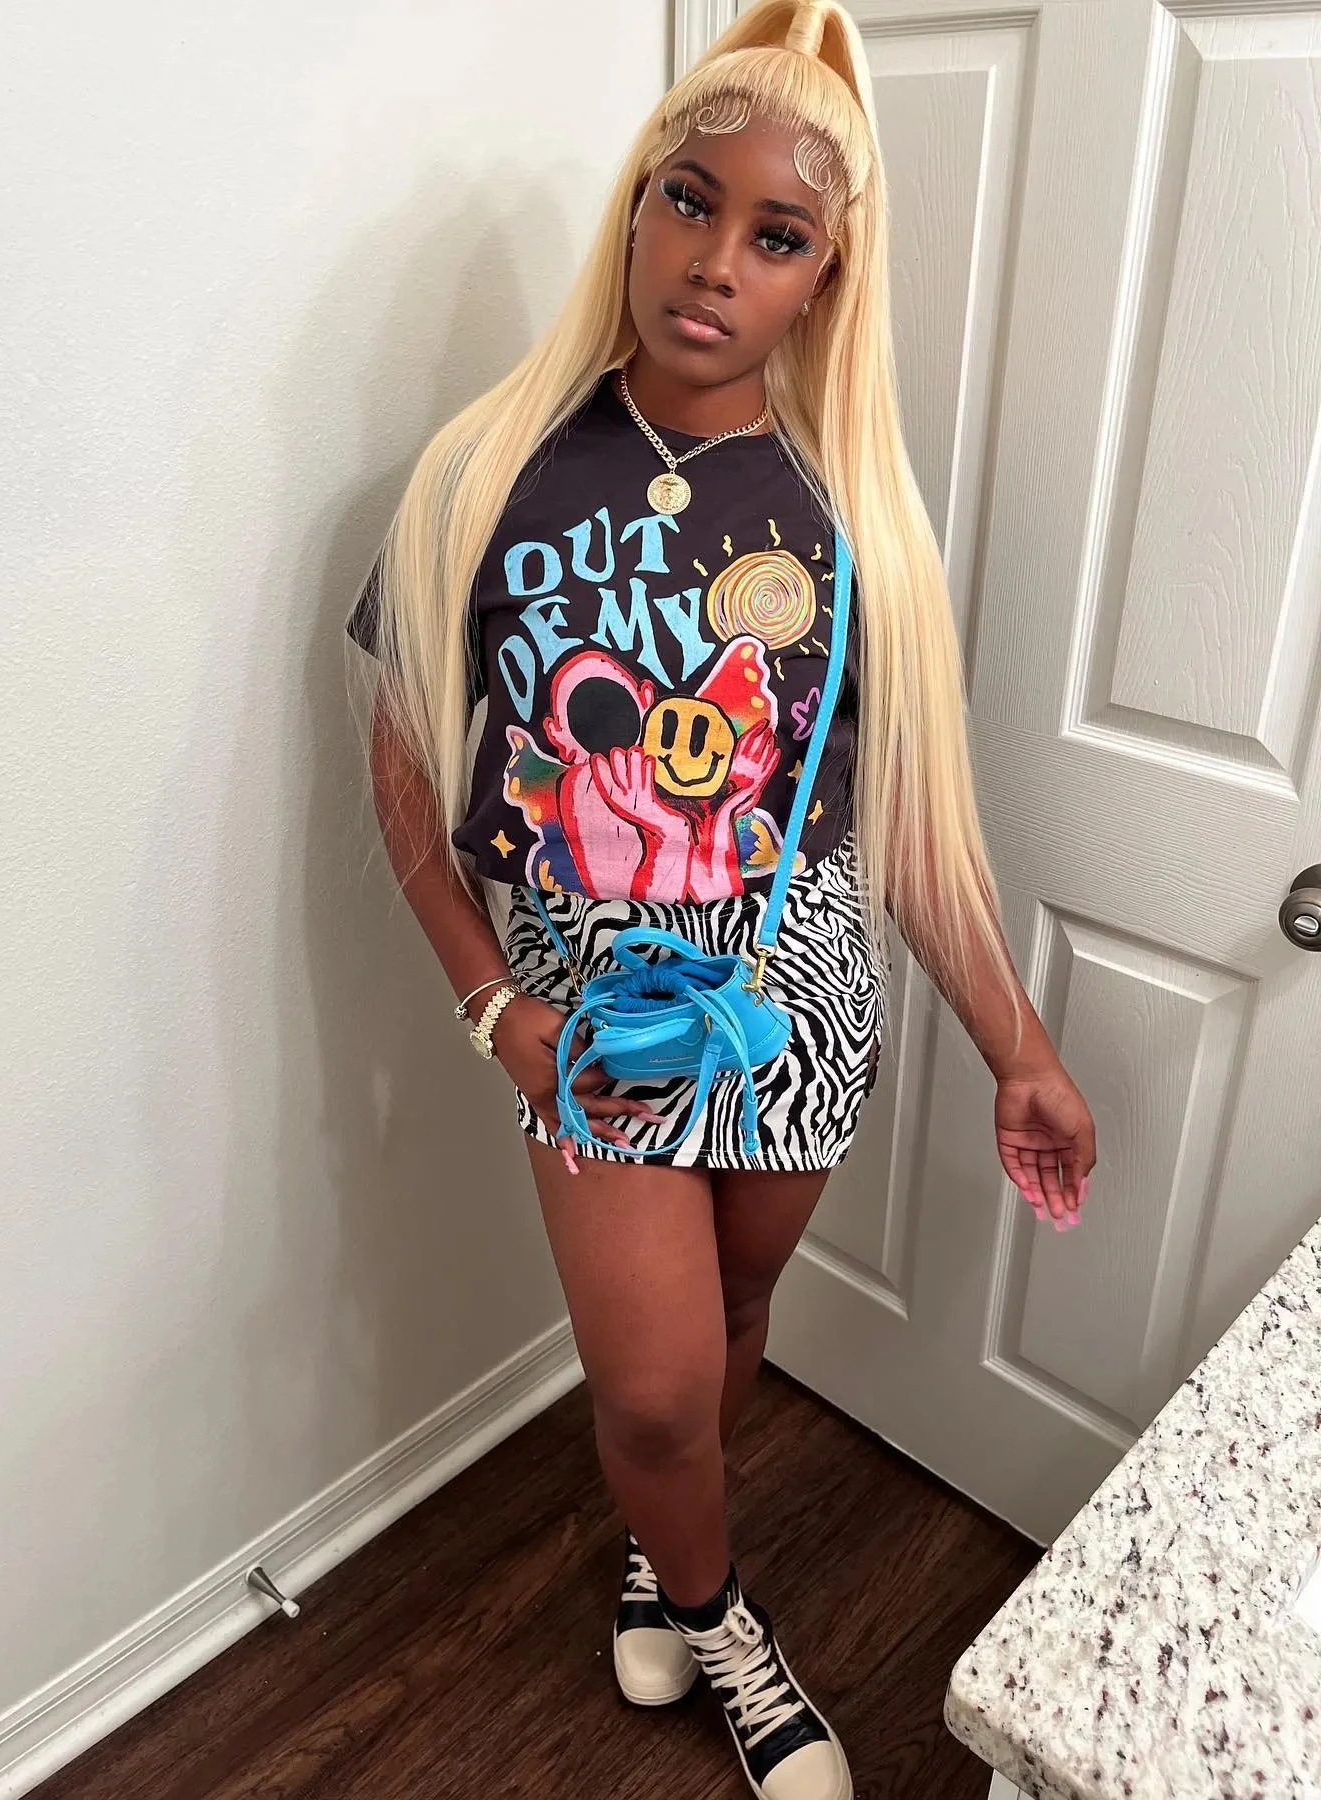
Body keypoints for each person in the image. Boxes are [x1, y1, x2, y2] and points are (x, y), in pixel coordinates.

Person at [343, 4, 1097, 1795]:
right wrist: (494, 1008)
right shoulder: (483, 477)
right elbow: (405, 783)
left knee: (739, 1321)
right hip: (593, 1013)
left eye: (779, 235)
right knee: (659, 1386)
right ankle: (725, 1615)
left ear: (827, 280)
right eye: (690, 202)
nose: (717, 262)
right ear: (636, 205)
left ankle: (657, 1550)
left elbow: (906, 829)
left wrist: (1021, 1046)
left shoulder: (855, 526)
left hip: (798, 992)